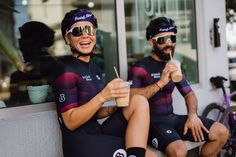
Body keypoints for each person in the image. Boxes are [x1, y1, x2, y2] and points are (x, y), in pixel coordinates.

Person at [52, 9, 150, 157]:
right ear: (67, 38)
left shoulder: (94, 68)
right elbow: (70, 122)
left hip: (97, 132)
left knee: (138, 101)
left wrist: (112, 108)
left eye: (90, 30)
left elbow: (91, 111)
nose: (86, 35)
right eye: (78, 31)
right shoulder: (66, 71)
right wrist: (103, 96)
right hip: (80, 143)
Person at [128, 17, 229, 157]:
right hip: (152, 123)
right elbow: (131, 98)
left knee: (221, 132)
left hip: (172, 118)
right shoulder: (139, 68)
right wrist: (160, 83)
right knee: (179, 151)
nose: (169, 44)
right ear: (151, 41)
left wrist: (192, 115)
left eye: (172, 38)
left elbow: (189, 94)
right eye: (164, 39)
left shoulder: (172, 65)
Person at [9, 21, 56, 106]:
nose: (20, 46)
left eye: (23, 40)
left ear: (35, 44)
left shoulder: (55, 69)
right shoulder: (20, 75)